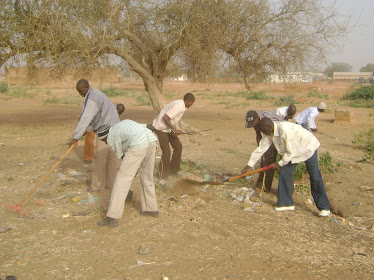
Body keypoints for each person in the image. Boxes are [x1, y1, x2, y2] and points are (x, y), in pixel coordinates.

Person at [243, 117, 331, 216]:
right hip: (292, 152)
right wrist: (248, 165)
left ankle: (324, 207)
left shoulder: (285, 131)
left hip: (307, 148)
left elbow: (291, 152)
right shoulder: (268, 132)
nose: (263, 133)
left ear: (269, 127)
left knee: (315, 176)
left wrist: (279, 163)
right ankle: (286, 203)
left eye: (264, 131)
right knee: (285, 172)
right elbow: (261, 149)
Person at [96, 120, 159, 227]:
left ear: (105, 136)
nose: (106, 143)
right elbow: (150, 126)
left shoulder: (111, 136)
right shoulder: (123, 123)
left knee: (122, 179)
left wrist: (130, 172)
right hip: (152, 140)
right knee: (147, 177)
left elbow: (122, 156)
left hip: (138, 144)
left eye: (104, 140)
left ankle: (112, 217)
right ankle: (151, 209)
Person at [69, 79, 120, 192]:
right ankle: (112, 185)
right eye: (79, 92)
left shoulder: (93, 97)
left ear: (87, 87)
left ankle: (97, 186)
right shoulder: (97, 94)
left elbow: (86, 117)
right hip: (114, 128)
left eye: (81, 91)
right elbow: (97, 117)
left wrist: (76, 137)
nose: (80, 94)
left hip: (106, 132)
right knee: (111, 158)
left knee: (101, 159)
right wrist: (85, 131)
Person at [151, 93, 195, 179]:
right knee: (166, 151)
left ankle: (173, 170)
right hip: (160, 128)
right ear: (188, 101)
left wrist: (175, 129)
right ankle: (162, 175)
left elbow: (171, 119)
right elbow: (165, 118)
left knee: (178, 146)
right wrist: (175, 130)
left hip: (167, 128)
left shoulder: (180, 104)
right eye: (192, 103)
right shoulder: (179, 106)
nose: (192, 104)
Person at [243, 110, 283, 192]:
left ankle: (269, 187)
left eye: (253, 123)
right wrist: (262, 155)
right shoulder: (256, 121)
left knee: (272, 161)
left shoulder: (268, 122)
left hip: (280, 136)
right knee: (264, 160)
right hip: (269, 136)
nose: (253, 126)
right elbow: (259, 136)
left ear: (257, 119)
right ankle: (260, 185)